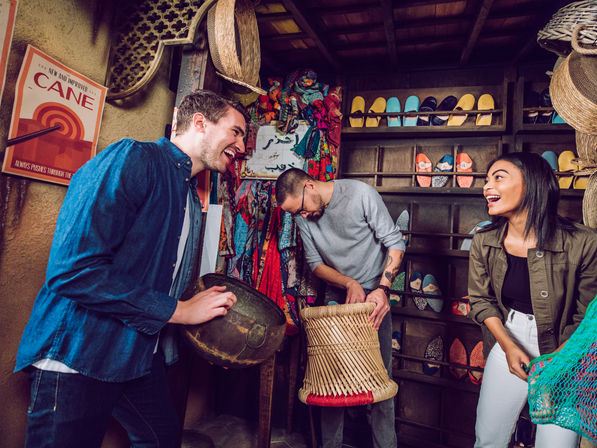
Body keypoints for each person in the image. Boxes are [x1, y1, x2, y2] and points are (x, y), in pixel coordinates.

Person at [14, 89, 248, 447]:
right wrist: (180, 310)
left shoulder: (186, 191)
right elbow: (73, 270)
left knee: (161, 439)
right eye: (236, 131)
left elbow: (152, 272)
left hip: (135, 354)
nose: (242, 146)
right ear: (200, 123)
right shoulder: (134, 158)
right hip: (80, 353)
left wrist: (203, 310)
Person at [468, 152, 597, 448]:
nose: (486, 186)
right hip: (509, 338)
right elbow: (480, 301)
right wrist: (508, 348)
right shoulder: (484, 239)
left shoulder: (584, 242)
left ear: (531, 184)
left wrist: (558, 361)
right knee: (488, 440)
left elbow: (590, 316)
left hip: (567, 351)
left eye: (498, 177)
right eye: (486, 180)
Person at [276, 168, 405, 448]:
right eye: (295, 214)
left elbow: (395, 243)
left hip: (376, 294)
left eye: (301, 209)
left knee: (380, 377)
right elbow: (315, 264)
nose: (302, 217)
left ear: (310, 186)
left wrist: (381, 290)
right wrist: (348, 283)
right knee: (331, 378)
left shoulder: (361, 194)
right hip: (338, 293)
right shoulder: (302, 218)